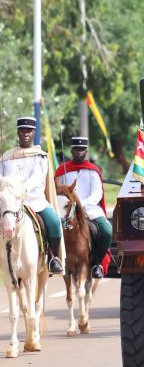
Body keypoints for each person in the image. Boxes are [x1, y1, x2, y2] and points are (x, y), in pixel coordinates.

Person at [0, 117, 64, 274]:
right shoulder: (5, 158)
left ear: (34, 133)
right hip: (10, 204)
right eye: (22, 130)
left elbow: (37, 178)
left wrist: (20, 191)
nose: (25, 134)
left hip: (35, 202)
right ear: (18, 132)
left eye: (29, 131)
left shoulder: (40, 156)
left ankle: (53, 258)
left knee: (55, 222)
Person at [54, 137, 112, 279]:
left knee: (107, 230)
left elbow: (97, 193)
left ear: (86, 151)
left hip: (90, 209)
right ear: (72, 150)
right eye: (76, 149)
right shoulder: (62, 170)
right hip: (66, 210)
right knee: (52, 227)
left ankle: (97, 263)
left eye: (82, 150)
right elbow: (56, 191)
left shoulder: (93, 170)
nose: (79, 152)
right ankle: (54, 259)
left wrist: (81, 204)